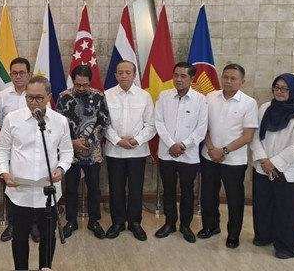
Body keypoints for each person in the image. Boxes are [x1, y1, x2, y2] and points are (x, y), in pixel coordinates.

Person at [0, 76, 73, 271]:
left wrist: (62, 169)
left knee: (47, 237)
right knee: (20, 237)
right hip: (19, 191)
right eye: (30, 98)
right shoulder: (12, 119)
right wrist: (4, 172)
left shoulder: (60, 121)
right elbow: (2, 149)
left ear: (49, 97)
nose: (33, 103)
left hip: (48, 192)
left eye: (38, 98)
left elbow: (67, 152)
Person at [250, 73, 294, 259]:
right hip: (263, 167)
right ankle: (264, 237)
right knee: (263, 205)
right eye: (276, 87)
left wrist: (274, 163)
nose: (279, 91)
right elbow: (256, 137)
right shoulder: (265, 108)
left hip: (290, 169)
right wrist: (264, 160)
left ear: (293, 90)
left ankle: (287, 247)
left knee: (289, 210)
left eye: (284, 88)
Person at [198, 64, 258, 248]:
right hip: (209, 156)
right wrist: (211, 148)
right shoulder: (210, 97)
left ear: (242, 81)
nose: (229, 82)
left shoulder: (249, 103)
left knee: (234, 199)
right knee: (208, 195)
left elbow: (247, 136)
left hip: (234, 161)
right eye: (226, 77)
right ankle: (211, 226)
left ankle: (233, 234)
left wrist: (223, 151)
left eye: (233, 78)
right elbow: (203, 126)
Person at [153, 62, 207, 243]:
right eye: (176, 75)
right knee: (168, 189)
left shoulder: (201, 99)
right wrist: (171, 144)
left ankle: (185, 226)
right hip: (166, 152)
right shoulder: (164, 96)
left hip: (188, 155)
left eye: (183, 76)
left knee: (187, 191)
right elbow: (158, 122)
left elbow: (201, 129)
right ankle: (169, 223)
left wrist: (183, 145)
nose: (178, 79)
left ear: (192, 79)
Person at [56, 65, 110, 239]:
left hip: (92, 152)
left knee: (94, 188)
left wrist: (88, 140)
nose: (81, 88)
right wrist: (72, 143)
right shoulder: (63, 97)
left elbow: (104, 121)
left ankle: (94, 221)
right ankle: (71, 221)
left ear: (90, 82)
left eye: (84, 85)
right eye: (78, 84)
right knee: (70, 188)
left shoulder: (98, 96)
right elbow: (58, 125)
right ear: (73, 81)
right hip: (69, 152)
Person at [103, 61, 155, 241]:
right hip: (114, 150)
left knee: (135, 189)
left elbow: (151, 125)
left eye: (128, 72)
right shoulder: (107, 95)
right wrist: (118, 140)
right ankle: (117, 222)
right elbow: (104, 124)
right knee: (116, 188)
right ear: (115, 75)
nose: (124, 76)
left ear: (134, 75)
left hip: (137, 151)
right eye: (120, 72)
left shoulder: (144, 96)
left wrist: (135, 140)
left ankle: (134, 222)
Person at [0, 57, 40, 243]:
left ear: (29, 74)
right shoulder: (3, 96)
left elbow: (47, 118)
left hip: (35, 151)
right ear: (10, 74)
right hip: (14, 152)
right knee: (12, 187)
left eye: (22, 73)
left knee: (35, 188)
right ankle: (14, 224)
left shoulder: (38, 94)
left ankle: (35, 225)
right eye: (14, 73)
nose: (18, 76)